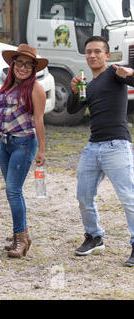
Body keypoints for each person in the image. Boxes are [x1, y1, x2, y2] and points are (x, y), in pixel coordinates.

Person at [69, 36, 134, 267]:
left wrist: (130, 74)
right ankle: (94, 237)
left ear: (107, 55)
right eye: (88, 52)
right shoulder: (89, 83)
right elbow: (71, 110)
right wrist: (74, 90)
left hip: (117, 145)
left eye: (97, 51)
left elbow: (131, 79)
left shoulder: (115, 74)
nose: (92, 55)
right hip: (92, 146)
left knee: (129, 198)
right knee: (84, 196)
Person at [0, 44, 47, 258]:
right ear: (13, 65)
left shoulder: (34, 89)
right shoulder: (7, 87)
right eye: (19, 63)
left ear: (33, 68)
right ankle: (21, 236)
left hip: (24, 143)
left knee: (13, 190)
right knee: (11, 191)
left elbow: (39, 120)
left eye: (28, 64)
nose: (23, 67)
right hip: (5, 144)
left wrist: (41, 151)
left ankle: (21, 239)